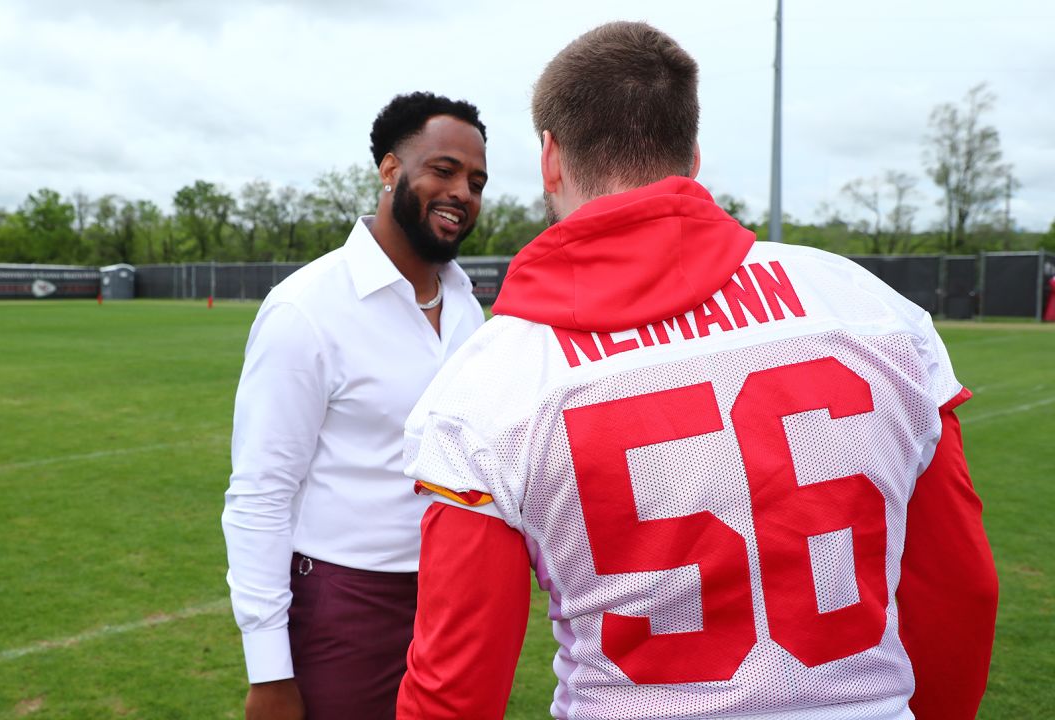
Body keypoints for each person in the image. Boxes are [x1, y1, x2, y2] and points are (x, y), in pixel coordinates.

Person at [397, 22, 998, 720]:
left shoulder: (490, 383)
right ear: (694, 155)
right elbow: (961, 593)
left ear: (551, 161)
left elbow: (456, 693)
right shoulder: (873, 314)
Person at [222, 91, 488, 719]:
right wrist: (268, 672)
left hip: (454, 600)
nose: (462, 193)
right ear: (391, 170)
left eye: (476, 181)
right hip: (346, 603)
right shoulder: (306, 309)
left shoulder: (469, 309)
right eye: (442, 170)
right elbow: (260, 491)